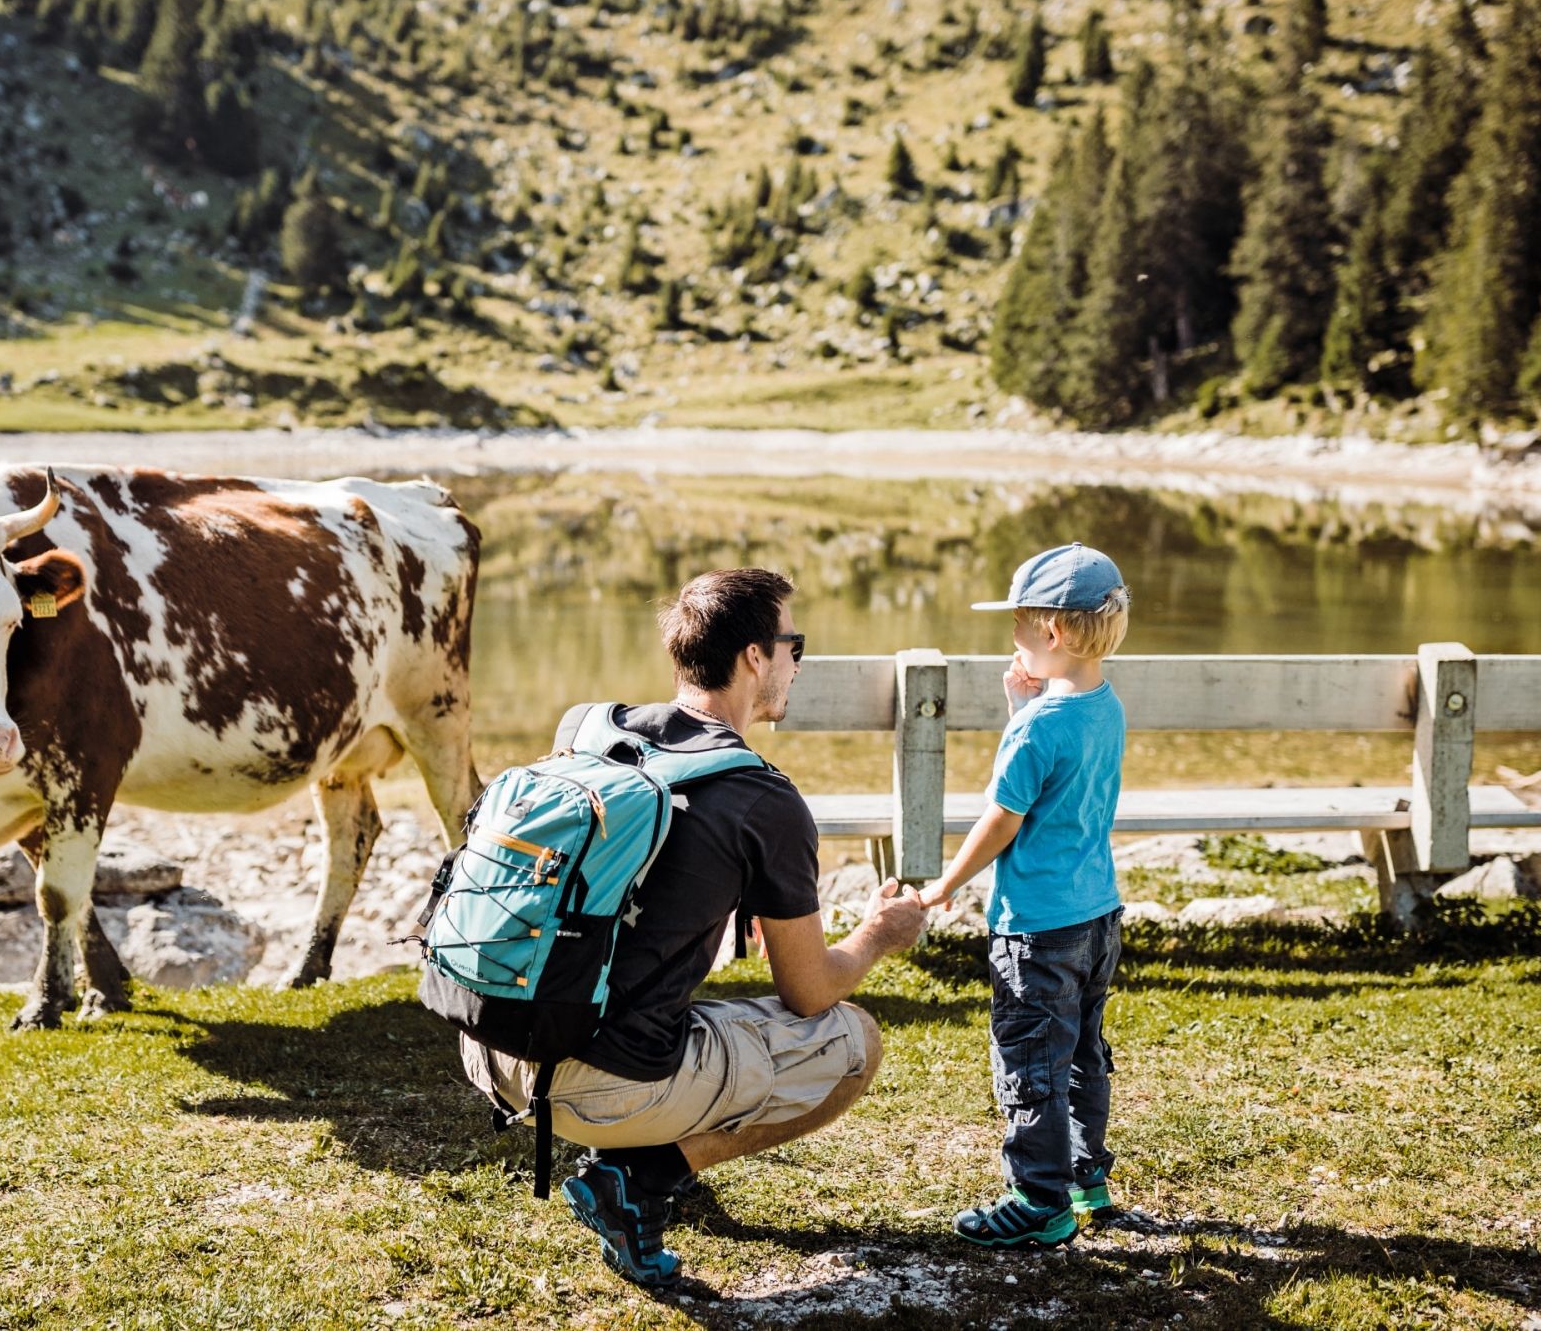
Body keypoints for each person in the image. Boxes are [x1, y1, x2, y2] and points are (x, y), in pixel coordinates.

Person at [461, 567, 928, 1286]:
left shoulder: (589, 729)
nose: (796, 663)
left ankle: (631, 1152)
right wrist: (877, 933)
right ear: (753, 656)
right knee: (852, 1041)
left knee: (694, 1010)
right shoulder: (760, 799)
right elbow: (808, 993)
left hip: (491, 1045)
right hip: (597, 1090)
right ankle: (640, 1177)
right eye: (792, 645)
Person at [916, 542, 1131, 1249]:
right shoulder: (1104, 706)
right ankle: (1084, 1174)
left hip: (1036, 931)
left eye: (1018, 625)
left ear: (1054, 633)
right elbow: (1058, 782)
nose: (1012, 637)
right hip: (1097, 916)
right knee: (1080, 1055)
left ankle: (1040, 1201)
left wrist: (946, 884)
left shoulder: (1040, 727)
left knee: (1030, 1064)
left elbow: (1004, 817)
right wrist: (1021, 707)